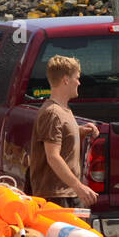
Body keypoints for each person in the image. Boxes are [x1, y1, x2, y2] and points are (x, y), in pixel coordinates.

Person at [29, 55, 99, 208]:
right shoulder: (52, 113)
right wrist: (79, 187)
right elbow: (53, 156)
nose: (79, 82)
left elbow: (59, 138)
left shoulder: (63, 110)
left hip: (67, 193)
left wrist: (80, 131)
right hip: (55, 196)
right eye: (77, 78)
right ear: (66, 80)